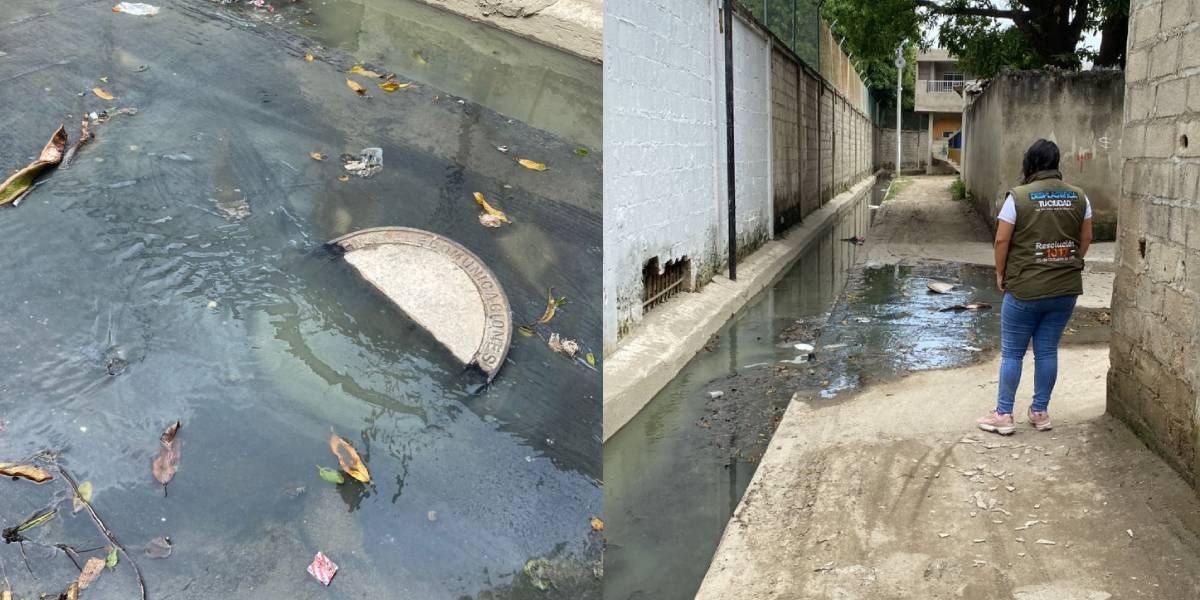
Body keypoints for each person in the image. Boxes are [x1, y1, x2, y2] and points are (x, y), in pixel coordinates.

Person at [977, 139, 1093, 435]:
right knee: (1047, 351)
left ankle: (1003, 415)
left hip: (1025, 289)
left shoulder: (1018, 198)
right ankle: (1040, 412)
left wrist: (1001, 273)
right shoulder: (1080, 197)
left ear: (1030, 163)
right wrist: (1069, 261)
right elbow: (1086, 238)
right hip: (1065, 289)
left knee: (1013, 353)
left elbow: (1002, 240)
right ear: (1056, 163)